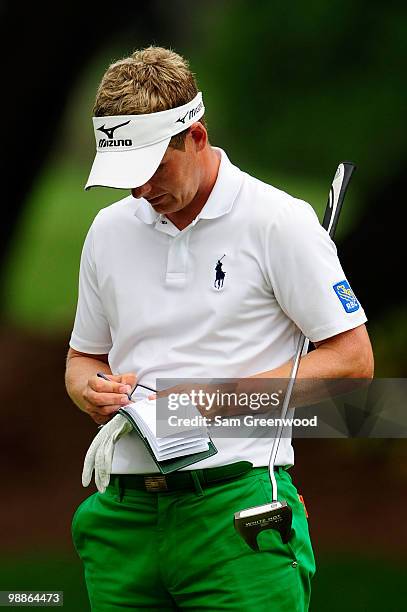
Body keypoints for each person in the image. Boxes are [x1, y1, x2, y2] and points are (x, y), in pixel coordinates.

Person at [65, 46, 374, 611]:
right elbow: (83, 357)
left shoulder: (278, 221)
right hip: (124, 515)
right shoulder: (108, 231)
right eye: (125, 177)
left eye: (153, 170)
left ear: (197, 138)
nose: (140, 192)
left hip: (236, 510)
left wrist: (211, 401)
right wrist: (90, 387)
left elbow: (353, 361)